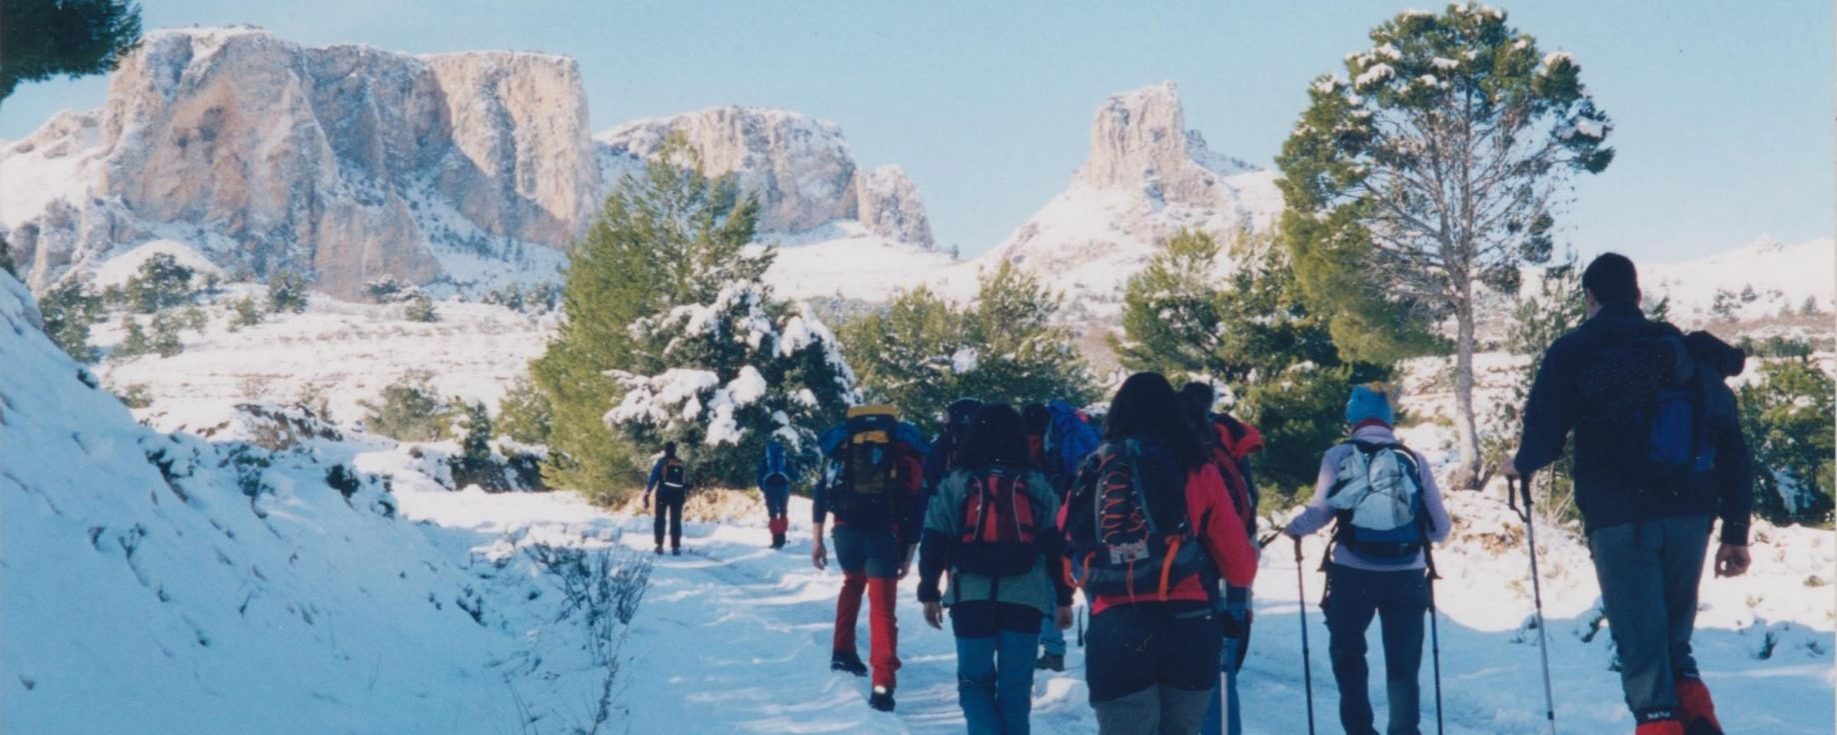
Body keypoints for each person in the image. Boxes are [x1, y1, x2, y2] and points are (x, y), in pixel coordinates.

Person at [1506, 253, 1753, 735]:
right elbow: (1733, 446)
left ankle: (1660, 725)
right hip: (1690, 516)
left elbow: (1545, 438)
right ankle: (1699, 718)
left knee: (1641, 650)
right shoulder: (1682, 350)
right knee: (1673, 642)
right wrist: (1736, 531)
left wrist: (1517, 465)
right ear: (1638, 296)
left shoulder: (1574, 350)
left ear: (1590, 298)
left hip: (1619, 518)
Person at [1065, 372, 1258, 735]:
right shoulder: (1199, 468)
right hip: (1189, 619)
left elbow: (1068, 538)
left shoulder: (1096, 467)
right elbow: (1240, 569)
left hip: (1117, 620)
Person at [1284, 384, 1451, 735]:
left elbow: (1321, 512)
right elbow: (1440, 528)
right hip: (1407, 575)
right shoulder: (1413, 458)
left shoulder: (1339, 455)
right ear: (1389, 421)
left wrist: (1295, 529)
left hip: (1352, 574)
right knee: (1403, 663)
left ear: (1352, 420)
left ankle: (1360, 730)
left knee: (1348, 655)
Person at [918, 404, 1074, 734]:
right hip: (1026, 597)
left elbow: (934, 540)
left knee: (975, 684)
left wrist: (929, 592)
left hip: (970, 594)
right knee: (1015, 690)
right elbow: (1056, 546)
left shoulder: (957, 481)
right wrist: (1063, 598)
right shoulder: (1035, 483)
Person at [811, 405, 930, 712]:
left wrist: (818, 541)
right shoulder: (904, 457)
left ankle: (842, 651)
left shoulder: (844, 451)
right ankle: (882, 683)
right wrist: (908, 553)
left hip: (845, 531)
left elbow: (821, 493)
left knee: (852, 584)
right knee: (882, 607)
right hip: (882, 534)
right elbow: (916, 509)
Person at [1180, 382, 1265, 735]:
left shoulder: (1183, 456)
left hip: (1189, 583)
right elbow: (1248, 514)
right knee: (1221, 677)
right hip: (1230, 577)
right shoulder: (1228, 448)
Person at [1021, 402, 1071, 673]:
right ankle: (1054, 648)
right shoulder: (1058, 445)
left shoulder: (1023, 446)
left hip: (1033, 525)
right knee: (1055, 583)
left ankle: (1051, 649)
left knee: (1038, 588)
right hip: (1062, 521)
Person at [643, 442, 691, 556]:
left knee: (660, 519)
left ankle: (659, 546)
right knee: (676, 520)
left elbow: (653, 478)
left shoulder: (661, 463)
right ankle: (675, 547)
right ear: (675, 450)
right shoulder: (681, 463)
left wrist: (647, 493)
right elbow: (686, 481)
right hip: (678, 495)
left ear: (665, 450)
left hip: (663, 494)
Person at [757, 439, 800, 549]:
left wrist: (763, 488)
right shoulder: (785, 459)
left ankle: (776, 539)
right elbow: (795, 476)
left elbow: (759, 476)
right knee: (783, 511)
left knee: (773, 514)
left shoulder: (765, 460)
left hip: (769, 487)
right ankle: (782, 537)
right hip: (783, 486)